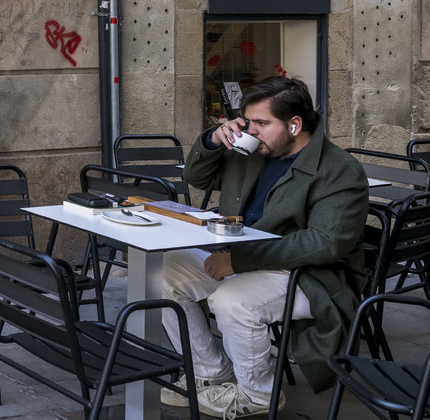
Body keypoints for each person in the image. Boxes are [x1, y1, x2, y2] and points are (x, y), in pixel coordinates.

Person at [156, 76, 367, 418]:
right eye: (247, 121)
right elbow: (197, 178)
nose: (250, 131)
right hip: (242, 255)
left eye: (261, 123)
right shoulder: (253, 152)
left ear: (294, 124)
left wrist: (238, 262)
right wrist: (213, 139)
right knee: (160, 272)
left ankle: (258, 395)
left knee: (231, 300)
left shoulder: (338, 169)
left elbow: (323, 243)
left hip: (308, 274)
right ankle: (210, 374)